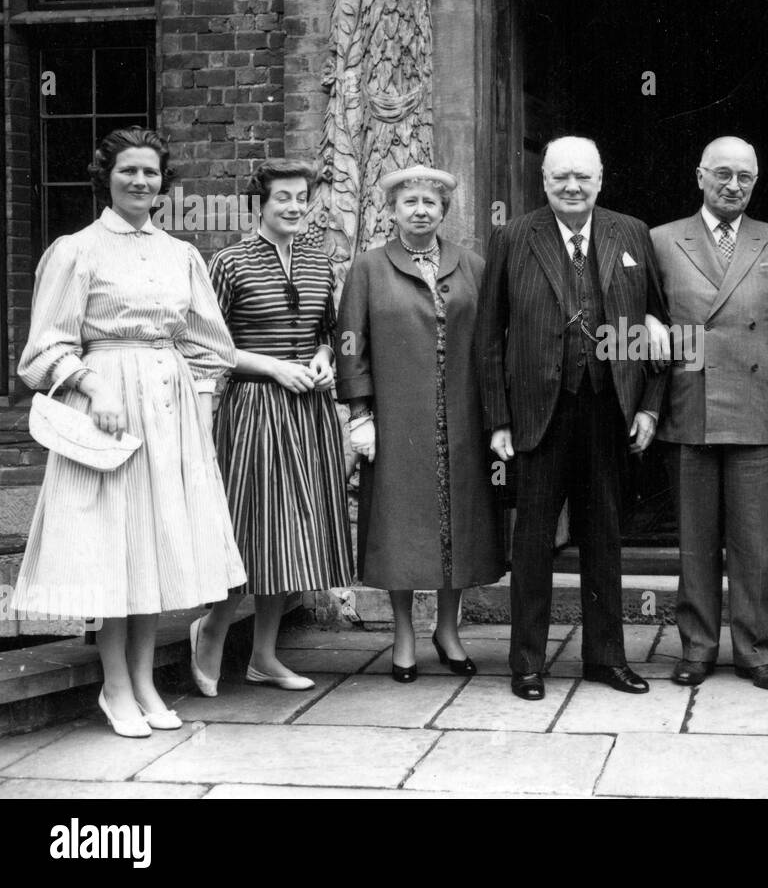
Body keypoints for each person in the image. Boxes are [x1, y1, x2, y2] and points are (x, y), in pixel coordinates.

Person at [13, 126, 246, 737]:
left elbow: (210, 346)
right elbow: (43, 350)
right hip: (106, 409)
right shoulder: (76, 250)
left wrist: (195, 406)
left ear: (163, 181)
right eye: (128, 172)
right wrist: (94, 386)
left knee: (152, 547)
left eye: (150, 172)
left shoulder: (181, 254)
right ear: (105, 178)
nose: (141, 182)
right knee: (114, 548)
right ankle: (114, 686)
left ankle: (144, 681)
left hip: (168, 413)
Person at [476, 136, 666, 701]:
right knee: (532, 543)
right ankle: (528, 663)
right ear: (545, 181)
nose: (572, 187)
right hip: (539, 413)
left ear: (600, 179)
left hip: (609, 408)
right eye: (560, 177)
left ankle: (606, 658)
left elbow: (660, 321)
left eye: (582, 177)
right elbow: (489, 337)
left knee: (604, 538)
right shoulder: (514, 237)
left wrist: (650, 404)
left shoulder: (630, 232)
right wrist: (498, 419)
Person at [650, 137, 768, 691]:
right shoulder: (662, 240)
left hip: (758, 409)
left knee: (754, 541)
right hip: (688, 406)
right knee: (694, 541)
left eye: (745, 176)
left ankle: (756, 650)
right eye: (722, 174)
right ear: (699, 176)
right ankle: (697, 648)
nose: (734, 185)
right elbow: (644, 320)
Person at [189, 160, 354, 695]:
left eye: (301, 197)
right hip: (253, 409)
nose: (293, 207)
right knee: (249, 526)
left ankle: (263, 655)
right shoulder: (230, 262)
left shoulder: (318, 261)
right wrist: (273, 367)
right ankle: (212, 627)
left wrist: (325, 358)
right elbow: (207, 344)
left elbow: (328, 330)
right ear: (260, 203)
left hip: (308, 412)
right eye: (282, 197)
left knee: (291, 536)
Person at [337, 166, 504, 682]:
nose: (420, 210)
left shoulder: (472, 265)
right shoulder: (368, 268)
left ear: (444, 212)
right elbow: (350, 342)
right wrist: (360, 412)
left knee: (460, 525)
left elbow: (492, 339)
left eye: (430, 203)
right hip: (396, 417)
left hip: (461, 416)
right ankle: (404, 633)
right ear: (392, 210)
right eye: (409, 201)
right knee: (400, 527)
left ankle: (448, 630)